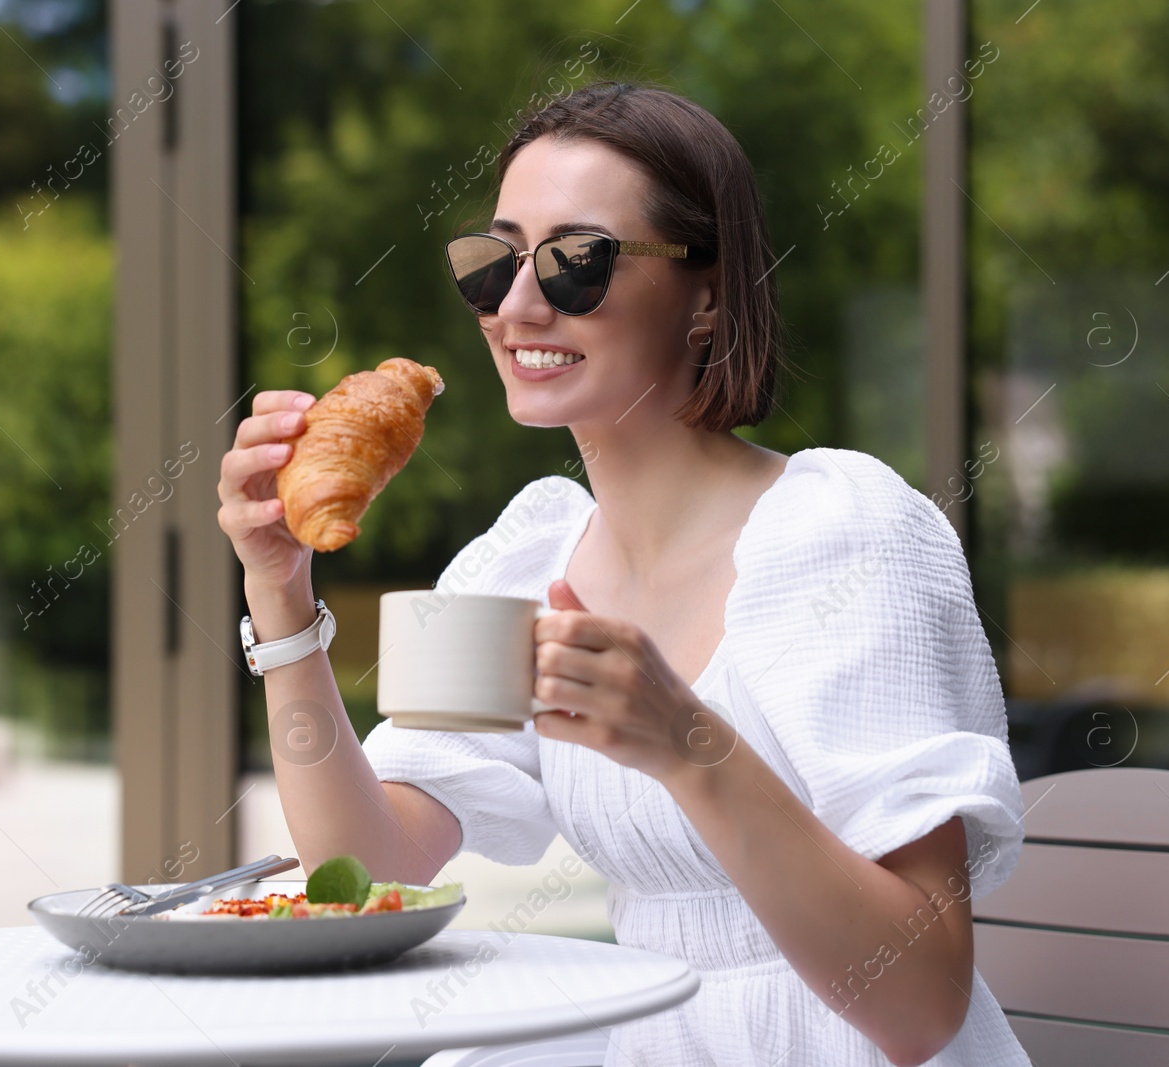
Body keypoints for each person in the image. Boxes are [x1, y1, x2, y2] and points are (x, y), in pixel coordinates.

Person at [217, 80, 1030, 1067]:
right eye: (493, 260)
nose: (515, 305)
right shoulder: (523, 558)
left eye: (573, 261)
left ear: (709, 293)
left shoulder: (850, 532)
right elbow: (364, 867)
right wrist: (280, 596)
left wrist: (685, 740)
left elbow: (920, 1005)